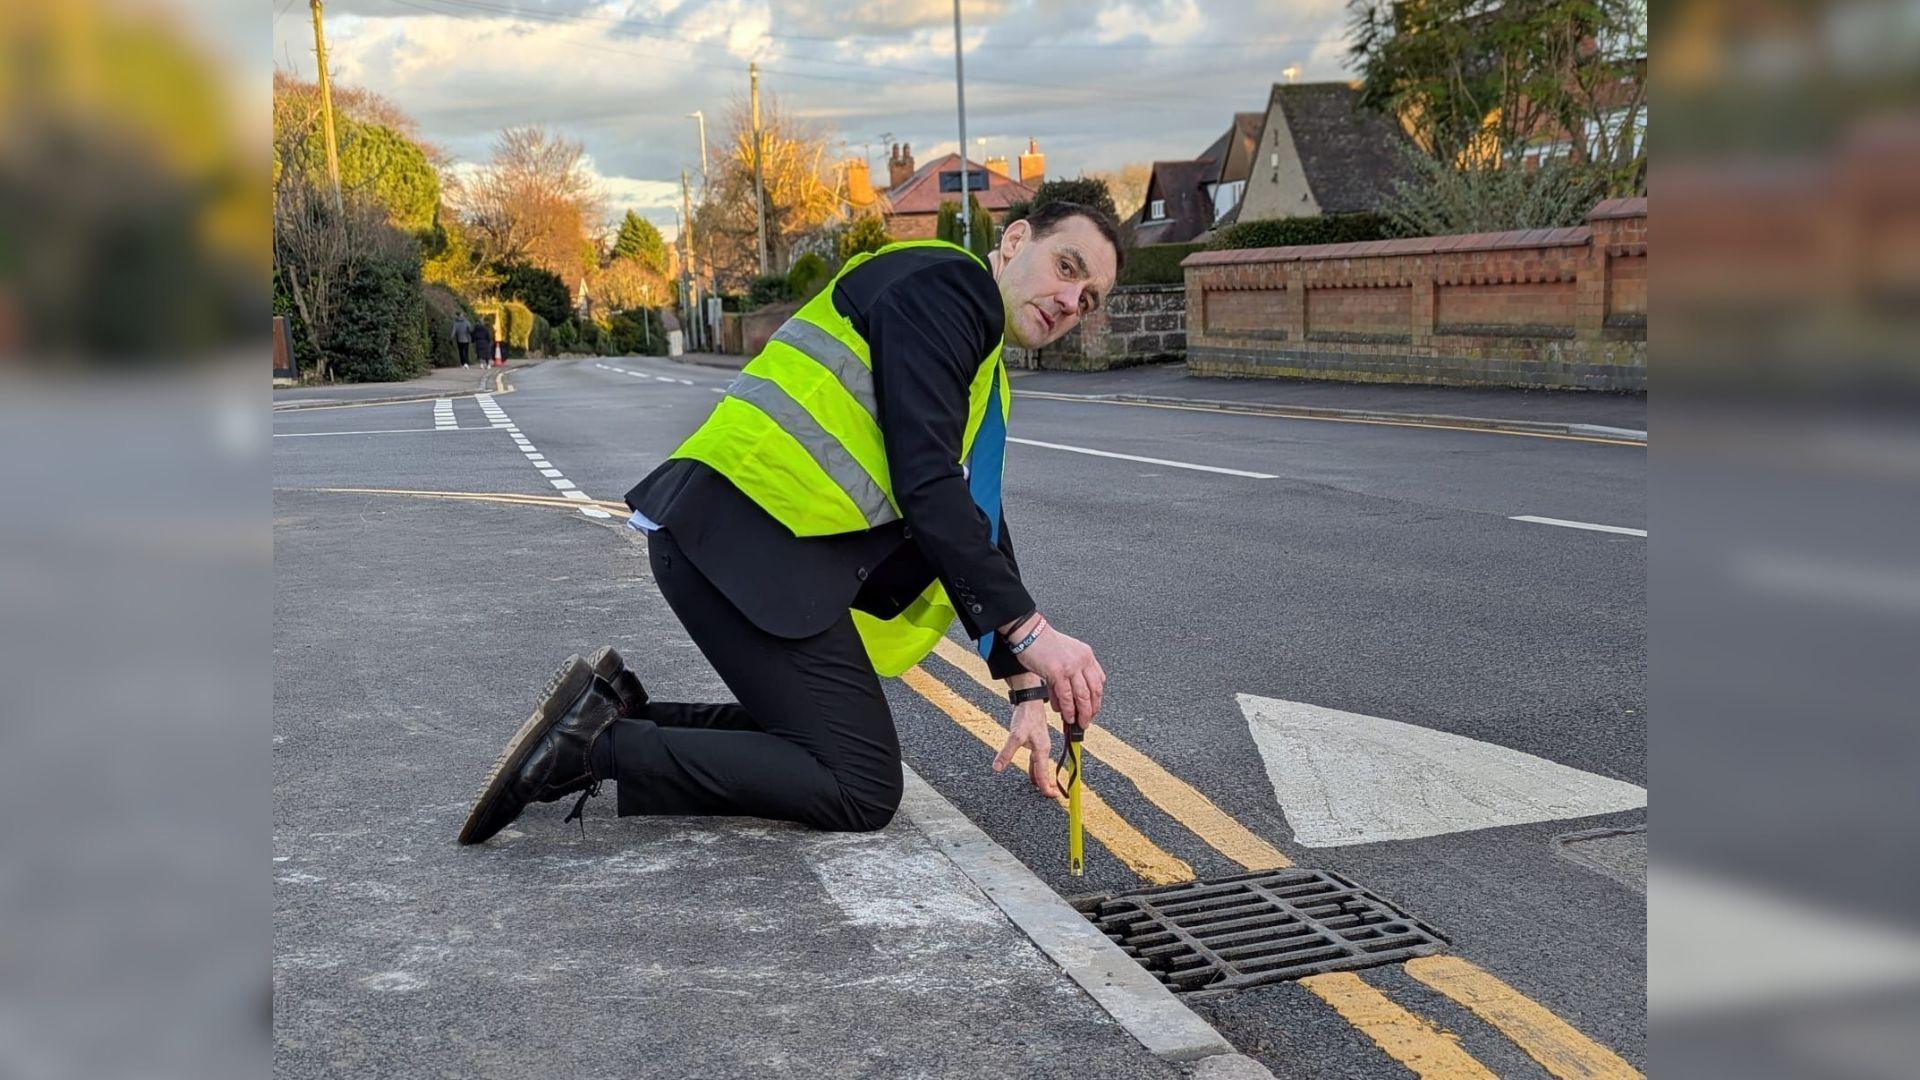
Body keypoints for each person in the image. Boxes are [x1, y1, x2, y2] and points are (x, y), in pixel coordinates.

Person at [460, 202, 1123, 845]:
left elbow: (977, 517)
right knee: (860, 785)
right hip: (742, 545)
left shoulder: (977, 355)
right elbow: (928, 482)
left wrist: (1025, 684)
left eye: (1089, 299)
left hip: (750, 548)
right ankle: (595, 749)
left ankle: (612, 714)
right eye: (1067, 268)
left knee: (831, 748)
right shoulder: (946, 286)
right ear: (1014, 242)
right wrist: (1033, 631)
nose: (1072, 301)